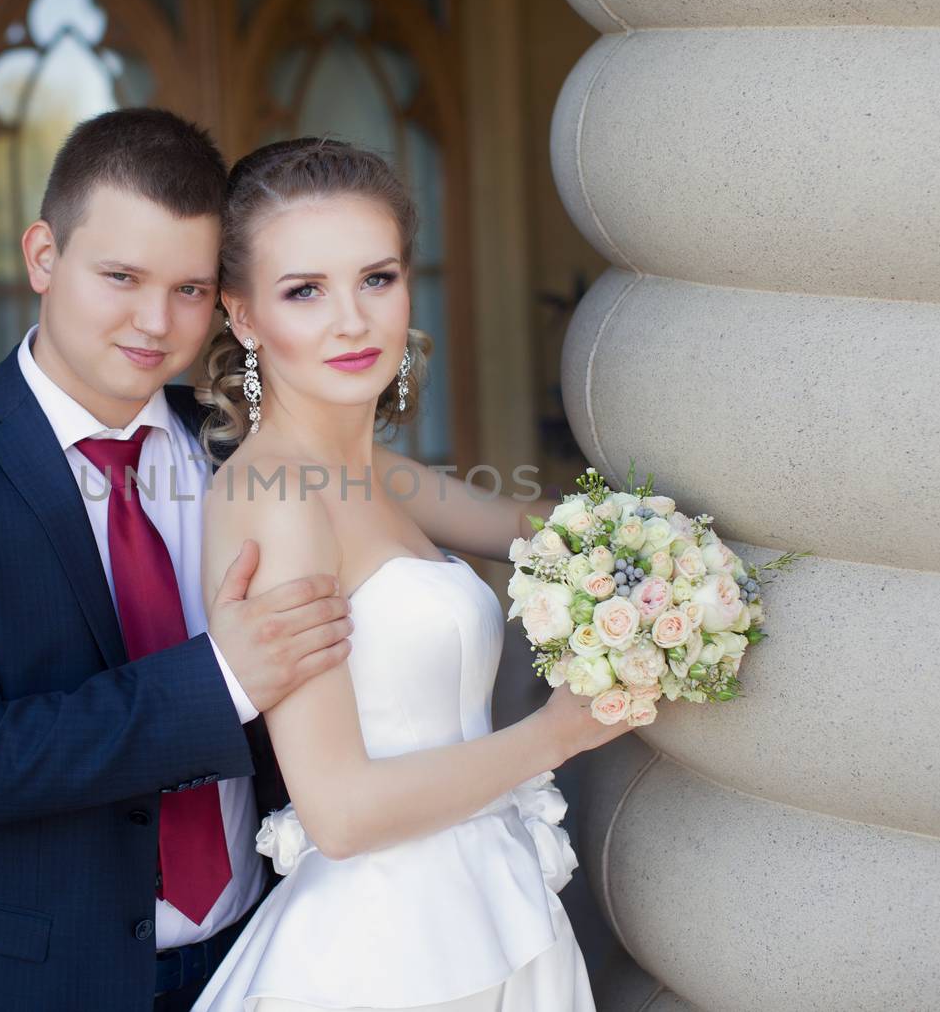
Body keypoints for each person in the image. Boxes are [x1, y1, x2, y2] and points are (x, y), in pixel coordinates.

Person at [0, 109, 357, 1011]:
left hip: (261, 956)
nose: (155, 322)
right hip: (28, 977)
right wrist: (221, 680)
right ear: (43, 255)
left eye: (191, 289)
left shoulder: (244, 449)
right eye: (120, 276)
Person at [191, 138, 631, 1012]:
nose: (352, 320)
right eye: (304, 290)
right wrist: (557, 735)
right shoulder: (278, 495)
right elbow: (341, 810)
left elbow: (537, 531)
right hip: (386, 955)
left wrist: (668, 556)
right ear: (243, 316)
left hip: (479, 896)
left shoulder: (372, 471)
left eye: (377, 278)